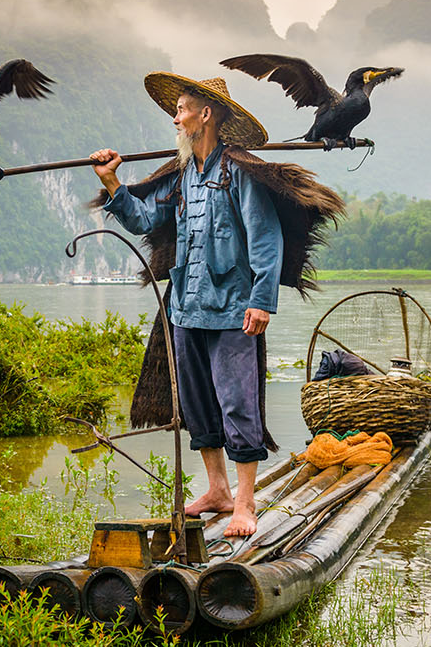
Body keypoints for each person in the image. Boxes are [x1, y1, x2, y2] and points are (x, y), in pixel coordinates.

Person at [90, 74, 282, 537]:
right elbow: (143, 218)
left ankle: (245, 504)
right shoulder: (181, 178)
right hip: (186, 308)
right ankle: (216, 490)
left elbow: (265, 238)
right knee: (197, 403)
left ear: (206, 114)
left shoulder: (238, 172)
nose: (175, 118)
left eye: (181, 109)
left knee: (238, 402)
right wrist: (112, 181)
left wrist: (261, 301)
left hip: (234, 309)